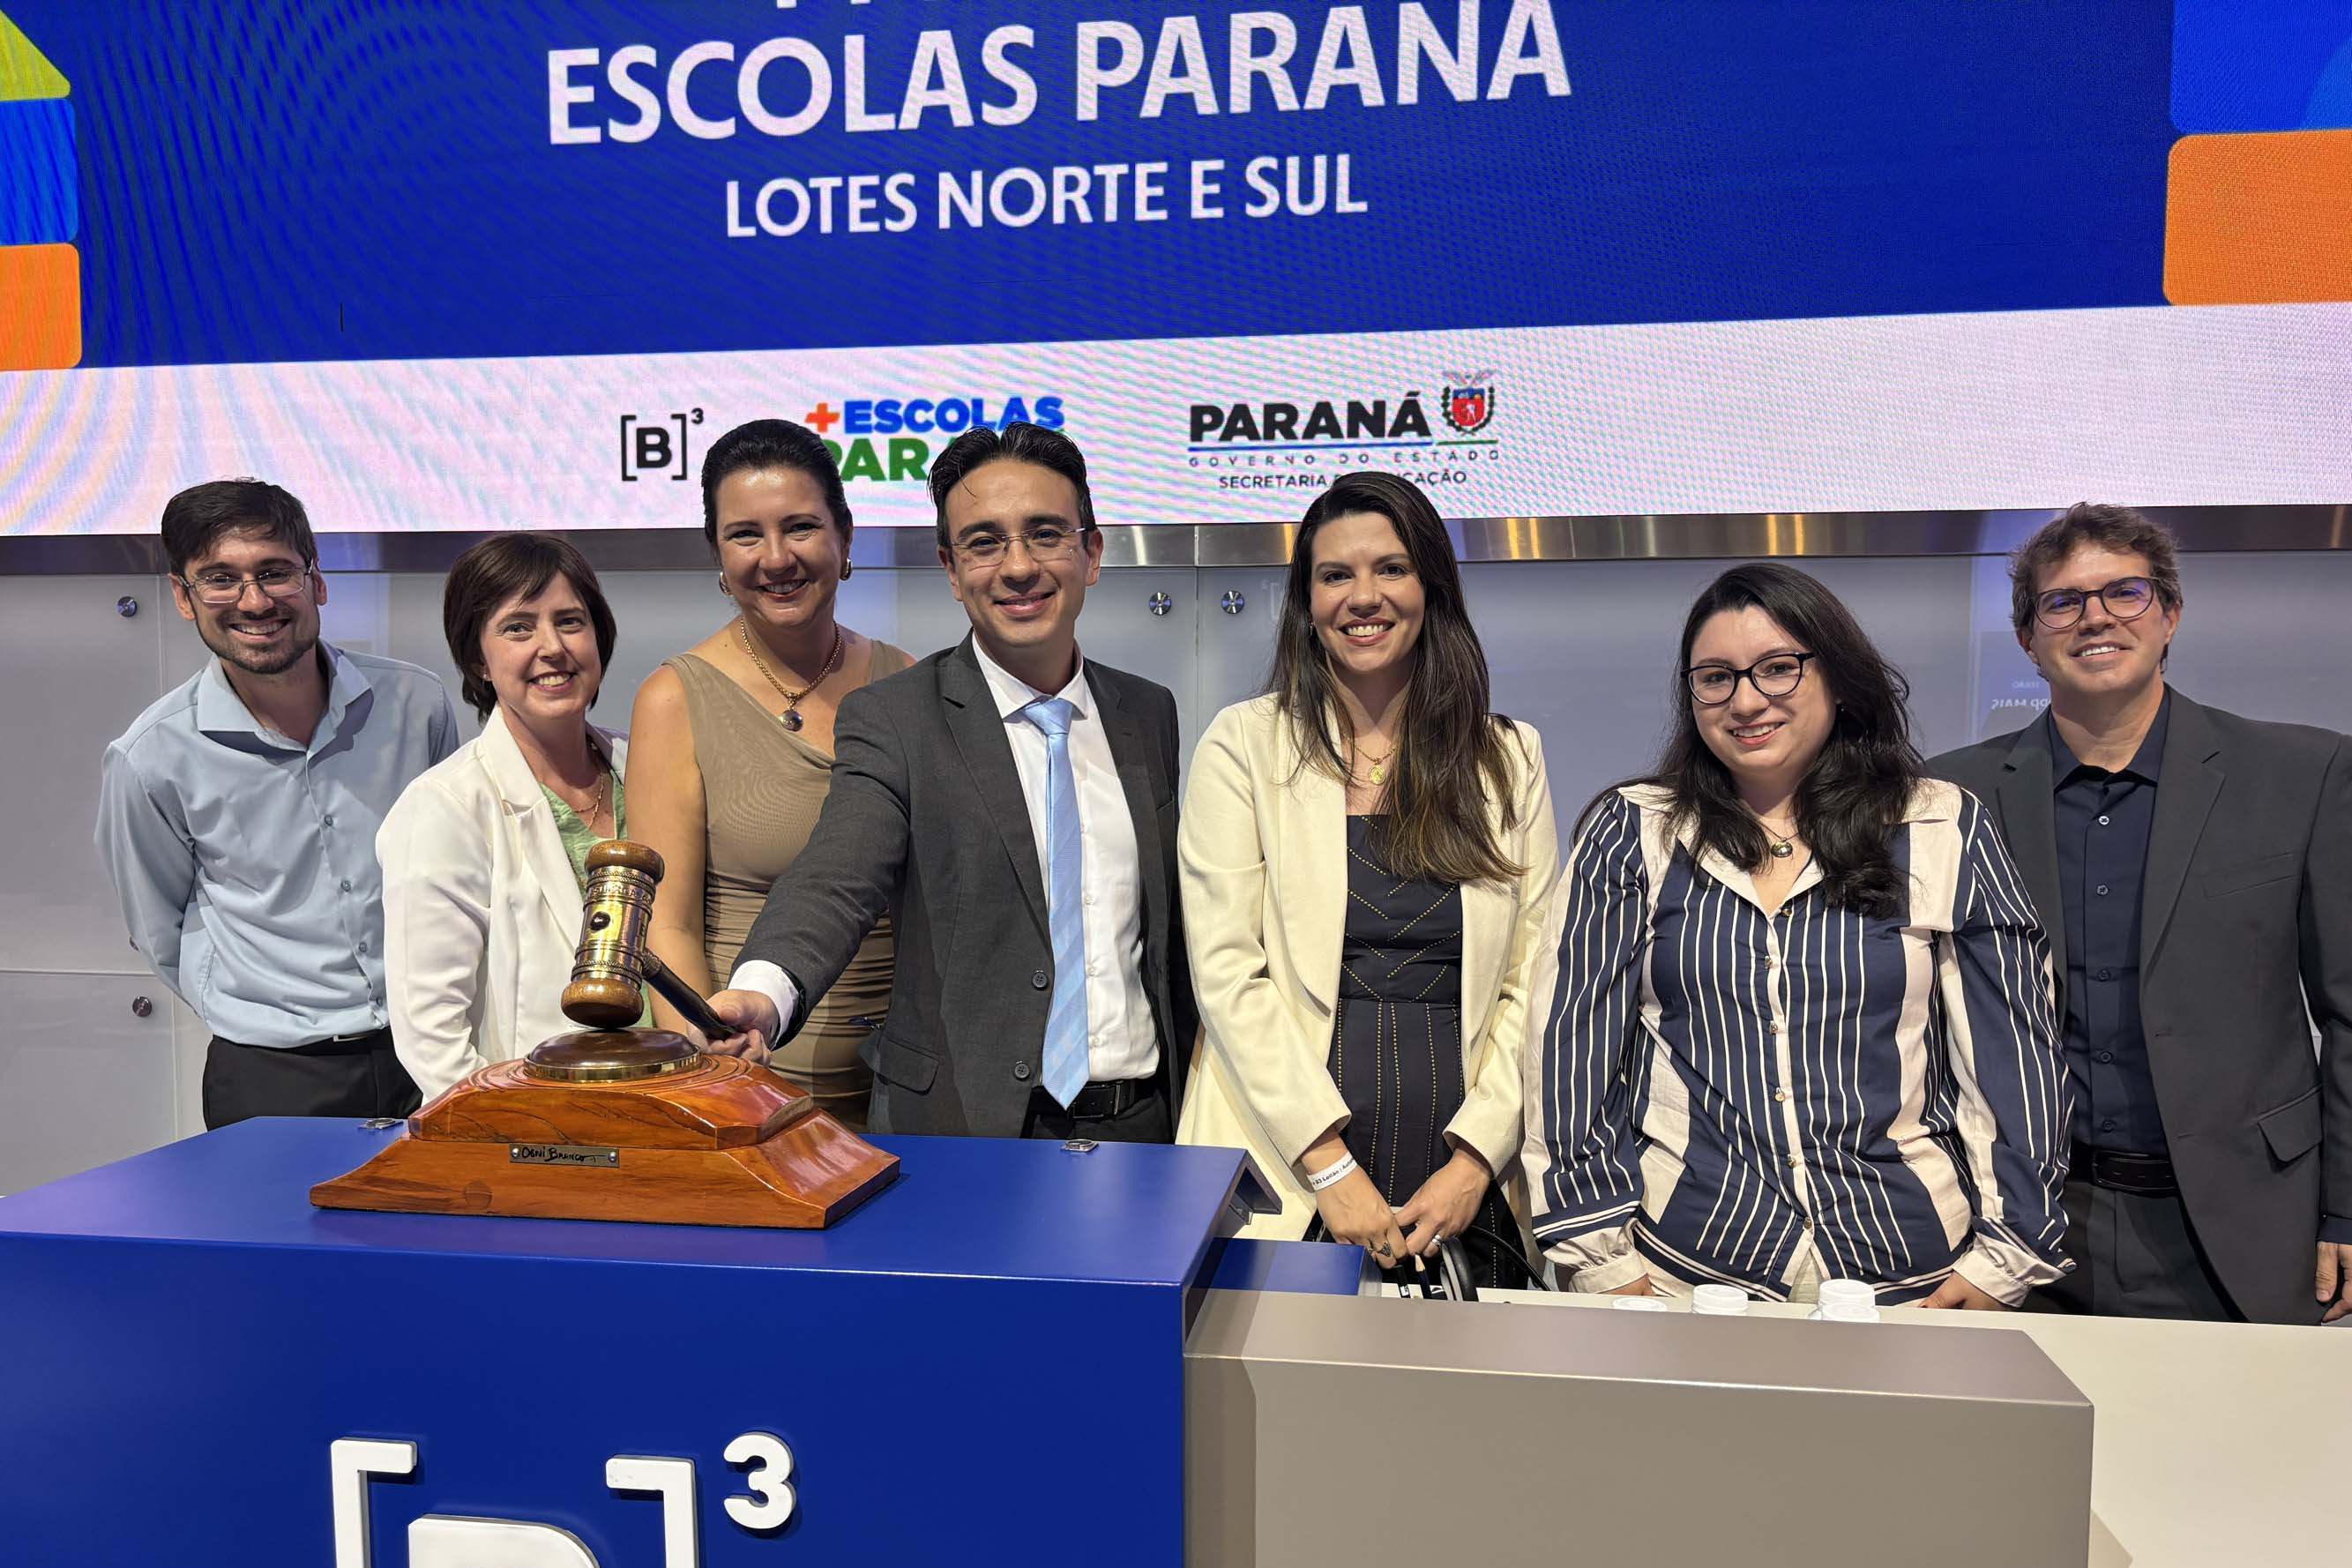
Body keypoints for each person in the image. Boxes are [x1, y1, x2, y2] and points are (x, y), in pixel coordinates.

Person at [1526, 563, 2071, 1307]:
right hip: (1686, 1274)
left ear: (1838, 679)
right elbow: (1568, 1049)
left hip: (1912, 1272)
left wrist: (2003, 1260)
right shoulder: (1636, 829)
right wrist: (1599, 1257)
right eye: (1715, 678)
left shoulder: (1938, 821)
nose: (1746, 700)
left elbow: (2014, 1056)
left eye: (1777, 668)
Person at [704, 422, 1193, 1143]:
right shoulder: (897, 717)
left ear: (1090, 553)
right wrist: (765, 992)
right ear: (952, 569)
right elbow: (836, 877)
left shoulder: (1147, 713)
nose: (1017, 567)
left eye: (1045, 534)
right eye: (984, 543)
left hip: (1142, 1126)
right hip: (965, 1131)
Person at [1931, 504, 2352, 1324]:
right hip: (2016, 1229)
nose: (2094, 617)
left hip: (2248, 1221)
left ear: (2169, 615)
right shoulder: (1950, 795)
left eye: (2123, 592)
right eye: (2061, 602)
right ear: (2026, 639)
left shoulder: (2302, 774)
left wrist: (2347, 1205)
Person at [1176, 474, 1557, 1285]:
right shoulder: (1242, 744)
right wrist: (1330, 1168)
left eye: (1390, 568)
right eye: (1334, 575)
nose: (1363, 596)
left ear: (1431, 586)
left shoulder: (1507, 755)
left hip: (1465, 1187)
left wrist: (1474, 1161)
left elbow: (1534, 979)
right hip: (1284, 1168)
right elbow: (1225, 974)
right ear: (1306, 601)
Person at [95, 478, 459, 1127]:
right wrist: (257, 1010)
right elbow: (157, 929)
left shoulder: (417, 705)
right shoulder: (150, 756)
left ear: (316, 580)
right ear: (182, 595)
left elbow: (456, 876)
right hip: (271, 1075)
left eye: (274, 572)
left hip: (432, 1051)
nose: (255, 601)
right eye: (220, 579)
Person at [626, 421, 912, 1129]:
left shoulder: (905, 679)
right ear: (718, 557)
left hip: (910, 1094)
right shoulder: (673, 699)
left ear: (845, 537)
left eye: (801, 527)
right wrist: (715, 1082)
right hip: (757, 1099)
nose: (776, 558)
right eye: (745, 535)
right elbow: (667, 927)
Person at [377, 534, 631, 1103]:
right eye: (518, 627)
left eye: (570, 621)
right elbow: (432, 1040)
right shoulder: (443, 806)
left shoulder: (647, 767)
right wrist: (526, 1134)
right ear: (478, 660)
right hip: (533, 1125)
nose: (552, 647)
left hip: (672, 1103)